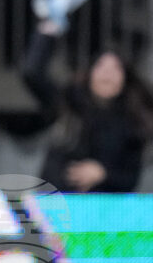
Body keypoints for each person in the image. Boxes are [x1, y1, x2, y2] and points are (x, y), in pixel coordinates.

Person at [23, 18, 153, 193]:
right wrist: (47, 31)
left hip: (106, 211)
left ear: (125, 79)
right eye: (101, 66)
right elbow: (32, 73)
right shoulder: (68, 105)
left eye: (116, 68)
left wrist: (103, 174)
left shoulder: (133, 122)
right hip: (57, 205)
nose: (107, 73)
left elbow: (131, 179)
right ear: (90, 74)